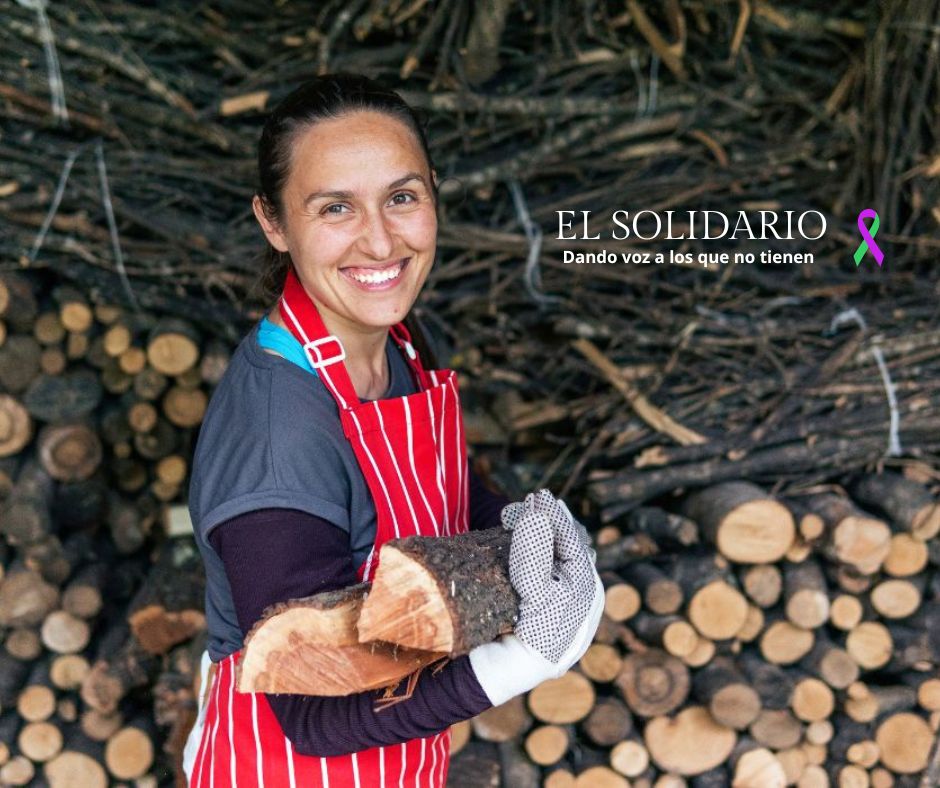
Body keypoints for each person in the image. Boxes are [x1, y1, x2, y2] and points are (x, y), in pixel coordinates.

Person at [181, 72, 603, 787]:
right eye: (335, 208)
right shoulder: (278, 440)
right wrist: (522, 659)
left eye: (401, 197)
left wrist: (531, 535)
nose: (380, 242)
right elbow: (312, 718)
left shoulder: (397, 344)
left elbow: (439, 495)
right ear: (274, 222)